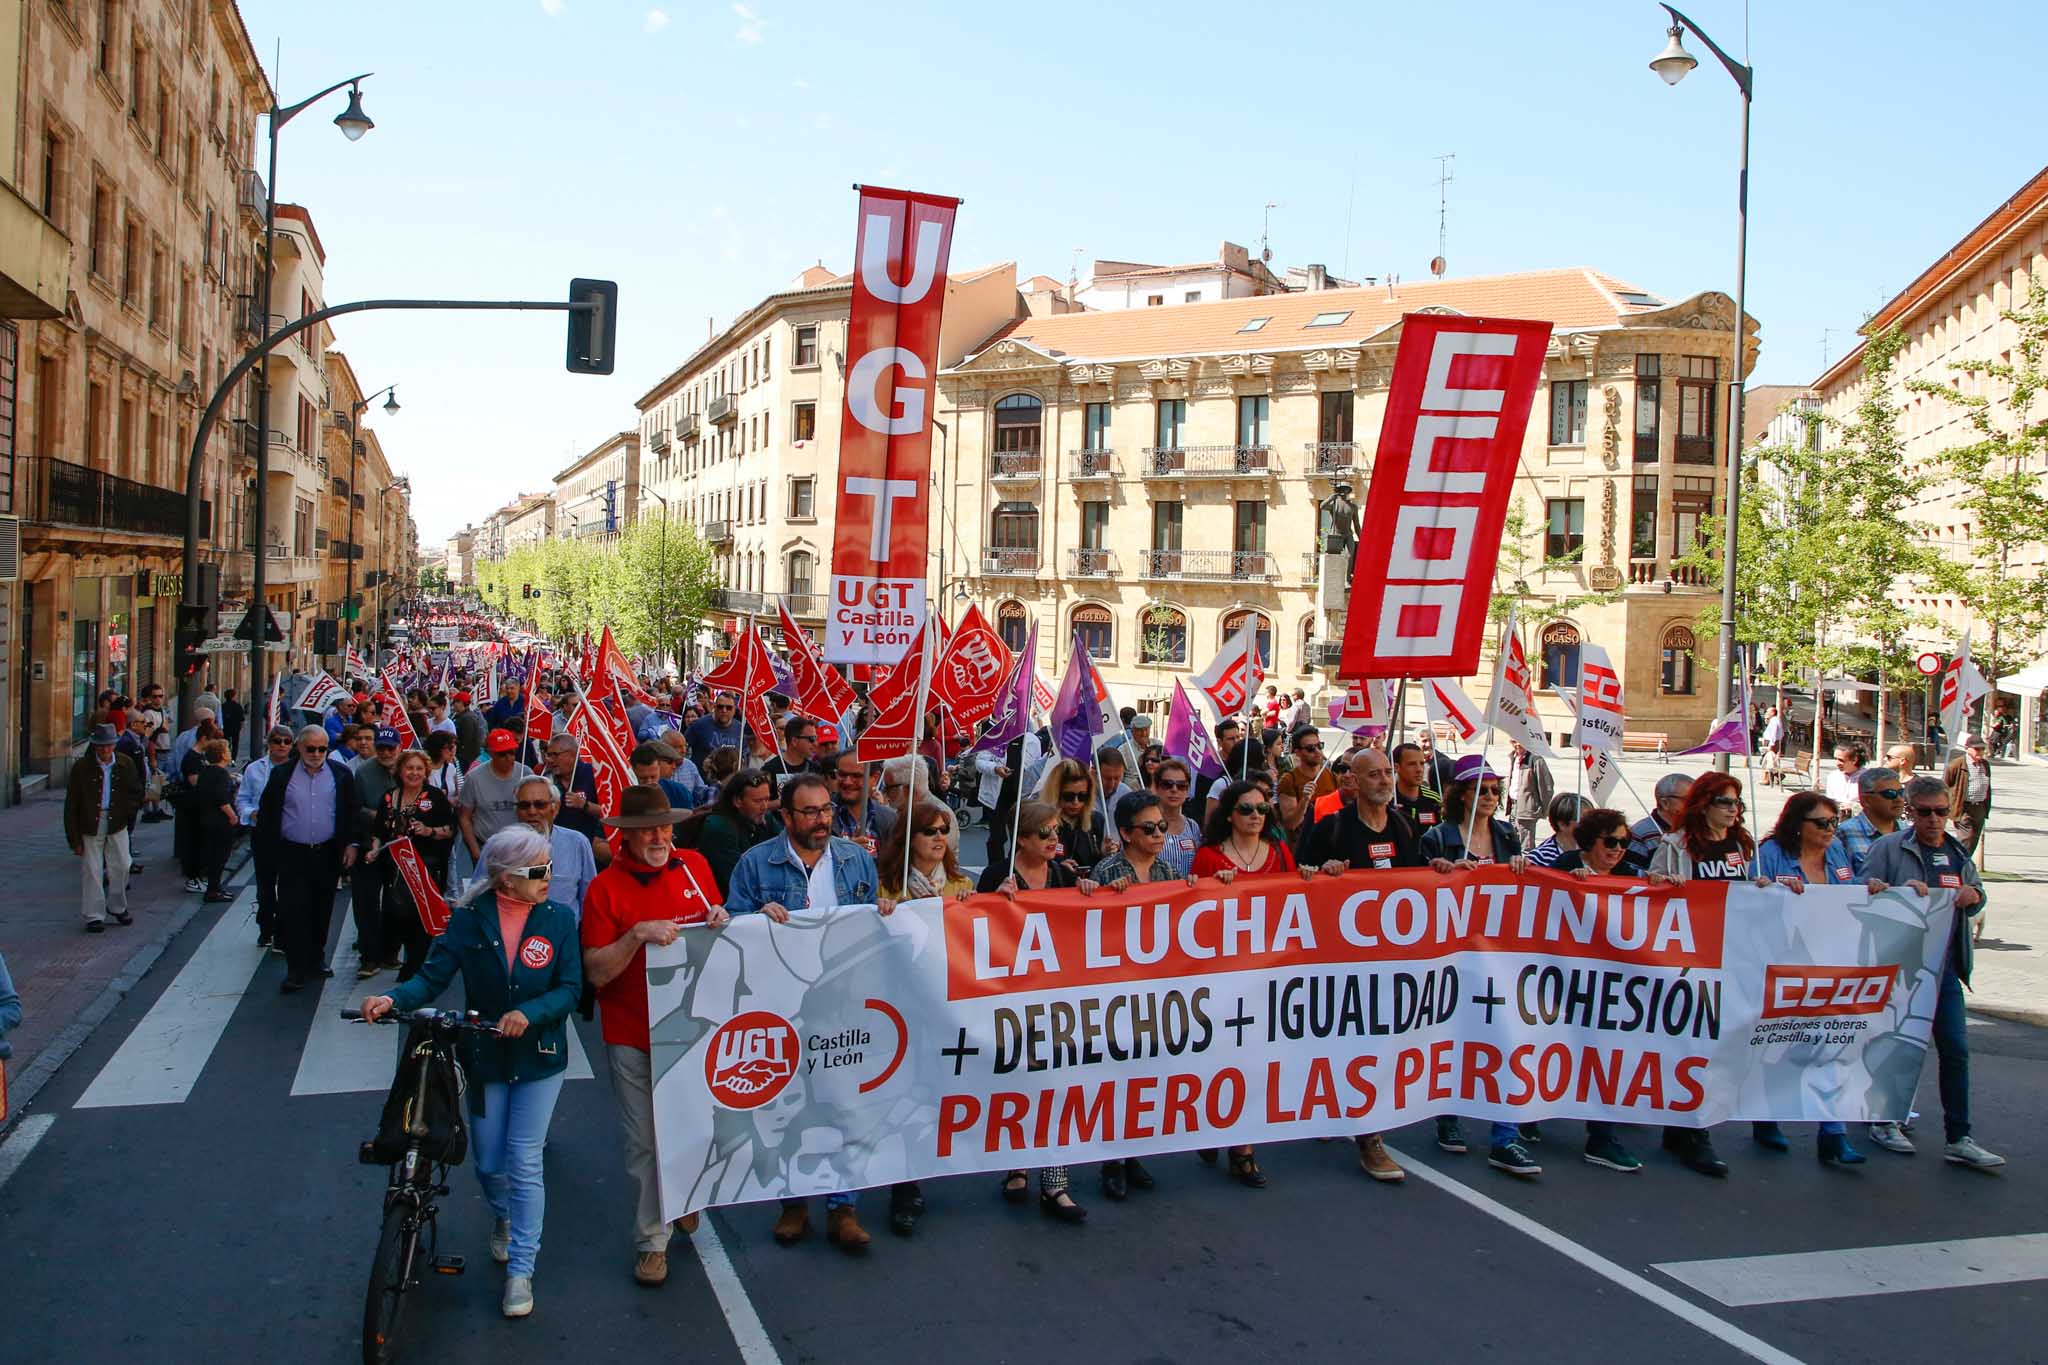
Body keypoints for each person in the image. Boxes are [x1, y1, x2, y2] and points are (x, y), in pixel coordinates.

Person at [362, 825, 584, 1319]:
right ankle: (504, 1217)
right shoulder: (467, 921)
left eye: (549, 867)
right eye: (537, 870)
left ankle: (521, 1270)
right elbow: (431, 977)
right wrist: (391, 998)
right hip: (484, 1054)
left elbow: (571, 987)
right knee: (486, 1162)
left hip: (540, 1055)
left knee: (524, 1160)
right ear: (505, 878)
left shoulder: (559, 918)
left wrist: (533, 1012)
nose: (549, 877)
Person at [725, 774, 885, 1251]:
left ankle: (844, 1207)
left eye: (827, 810)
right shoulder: (756, 864)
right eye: (811, 812)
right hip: (783, 1004)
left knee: (845, 1105)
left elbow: (872, 921)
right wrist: (757, 919)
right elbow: (731, 925)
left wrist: (889, 911)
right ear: (786, 817)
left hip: (843, 1004)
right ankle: (793, 1203)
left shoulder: (856, 858)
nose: (822, 820)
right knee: (787, 1106)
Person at [579, 784, 724, 1286]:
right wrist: (636, 933)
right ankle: (651, 1239)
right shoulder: (604, 890)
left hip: (692, 1027)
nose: (662, 836)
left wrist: (719, 920)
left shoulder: (695, 868)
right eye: (649, 830)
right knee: (644, 1139)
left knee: (693, 1127)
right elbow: (596, 971)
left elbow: (717, 932)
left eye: (666, 827)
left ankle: (682, 1196)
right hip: (632, 1031)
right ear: (627, 837)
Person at [1859, 775, 2004, 1169]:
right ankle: (1884, 1119)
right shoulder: (1889, 848)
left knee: (1956, 1051)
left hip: (1945, 971)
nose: (1934, 820)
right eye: (1925, 812)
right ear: (1910, 811)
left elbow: (1976, 896)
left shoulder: (1957, 851)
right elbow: (1859, 894)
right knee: (1896, 1047)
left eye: (1942, 812)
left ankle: (1960, 1135)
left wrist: (1975, 897)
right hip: (1899, 970)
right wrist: (1888, 889)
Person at [1644, 772, 1768, 1176]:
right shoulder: (1676, 846)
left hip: (1730, 958)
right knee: (1693, 1045)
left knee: (1719, 1045)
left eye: (1737, 804)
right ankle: (1694, 1130)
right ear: (1704, 806)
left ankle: (1684, 1126)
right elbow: (1651, 894)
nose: (1734, 811)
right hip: (1691, 962)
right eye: (1725, 803)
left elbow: (1743, 891)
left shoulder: (1740, 846)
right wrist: (1664, 883)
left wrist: (1763, 886)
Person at [978, 798, 1092, 1221]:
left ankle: (1056, 1184)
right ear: (1021, 839)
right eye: (1044, 833)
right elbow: (976, 931)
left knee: (1058, 1087)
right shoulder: (998, 875)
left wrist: (1087, 893)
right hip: (1011, 1001)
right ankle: (1016, 1165)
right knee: (1019, 1086)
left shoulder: (1063, 874)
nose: (1053, 839)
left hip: (1058, 999)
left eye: (1056, 831)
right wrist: (994, 900)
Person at [258, 726, 360, 994]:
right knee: (293, 910)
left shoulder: (341, 774)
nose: (316, 754)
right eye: (310, 748)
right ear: (299, 748)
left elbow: (351, 812)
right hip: (292, 852)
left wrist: (351, 844)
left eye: (322, 749)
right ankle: (295, 968)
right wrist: (270, 853)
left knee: (322, 907)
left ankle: (316, 956)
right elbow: (269, 814)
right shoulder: (282, 775)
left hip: (326, 852)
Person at [365, 748, 459, 980]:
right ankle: (398, 956)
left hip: (424, 868)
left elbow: (449, 830)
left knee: (420, 919)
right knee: (397, 915)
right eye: (410, 768)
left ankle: (414, 967)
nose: (414, 773)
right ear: (400, 770)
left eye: (419, 769)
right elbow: (378, 830)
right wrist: (375, 848)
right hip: (394, 870)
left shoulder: (435, 797)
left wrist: (428, 831)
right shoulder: (389, 797)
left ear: (426, 772)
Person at [64, 722, 144, 932]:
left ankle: (117, 906)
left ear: (114, 745)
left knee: (123, 864)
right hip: (90, 821)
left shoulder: (125, 764)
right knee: (92, 869)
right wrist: (73, 838)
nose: (105, 750)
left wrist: (129, 814)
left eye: (108, 745)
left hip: (117, 821)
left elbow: (136, 791)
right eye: (101, 746)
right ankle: (94, 914)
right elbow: (71, 803)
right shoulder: (82, 767)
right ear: (94, 746)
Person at [350, 728, 405, 978]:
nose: (385, 752)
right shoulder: (363, 772)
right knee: (366, 903)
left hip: (397, 847)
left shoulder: (408, 768)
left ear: (399, 748)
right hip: (368, 845)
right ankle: (368, 956)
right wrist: (375, 815)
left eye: (390, 748)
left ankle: (390, 951)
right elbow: (354, 808)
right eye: (381, 747)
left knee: (396, 901)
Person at [238, 727, 297, 947]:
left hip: (290, 834)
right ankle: (265, 926)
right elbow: (242, 799)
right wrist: (249, 813)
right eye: (277, 741)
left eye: (286, 741)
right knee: (265, 885)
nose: (282, 745)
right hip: (263, 833)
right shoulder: (254, 770)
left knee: (288, 885)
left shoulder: (298, 770)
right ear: (269, 743)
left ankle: (282, 930)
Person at [514, 776, 597, 918]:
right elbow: (481, 892)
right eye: (524, 805)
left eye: (540, 805)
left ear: (556, 808)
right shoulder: (499, 846)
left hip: (564, 935)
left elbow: (589, 898)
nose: (532, 811)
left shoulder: (578, 843)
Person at [1419, 757, 1522, 866]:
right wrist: (1446, 872)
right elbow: (1421, 878)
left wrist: (1521, 863)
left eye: (1495, 790)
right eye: (1481, 790)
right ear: (1461, 794)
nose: (1490, 797)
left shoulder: (1508, 833)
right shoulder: (1435, 838)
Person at [1192, 779, 1300, 881]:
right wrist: (1214, 884)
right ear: (1229, 814)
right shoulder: (1207, 857)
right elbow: (1195, 896)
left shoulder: (1280, 851)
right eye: (1246, 809)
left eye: (1262, 808)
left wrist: (1305, 878)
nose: (1255, 815)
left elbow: (1295, 890)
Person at [698, 770, 782, 894]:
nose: (764, 807)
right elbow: (737, 879)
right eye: (757, 801)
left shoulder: (765, 817)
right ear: (738, 801)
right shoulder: (719, 827)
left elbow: (786, 847)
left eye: (767, 799)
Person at [460, 730, 534, 866]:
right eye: (502, 754)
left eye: (512, 752)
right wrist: (475, 851)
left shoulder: (527, 774)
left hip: (520, 850)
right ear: (491, 753)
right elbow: (465, 817)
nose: (509, 758)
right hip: (487, 849)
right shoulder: (474, 778)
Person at [1039, 758, 1109, 880]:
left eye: (1082, 796)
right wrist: (1058, 867)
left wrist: (1104, 854)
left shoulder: (1096, 820)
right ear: (1056, 793)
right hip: (1056, 891)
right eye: (1068, 796)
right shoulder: (1040, 823)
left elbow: (1098, 866)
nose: (1075, 802)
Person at [1835, 767, 1905, 877]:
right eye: (1890, 794)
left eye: (1901, 792)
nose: (1899, 799)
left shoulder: (1909, 833)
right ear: (1866, 800)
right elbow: (1842, 882)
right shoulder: (1844, 833)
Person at [193, 739, 239, 904]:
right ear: (221, 755)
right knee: (220, 855)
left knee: (214, 854)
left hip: (207, 818)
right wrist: (232, 815)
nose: (229, 753)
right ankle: (214, 889)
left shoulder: (206, 771)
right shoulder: (220, 774)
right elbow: (221, 798)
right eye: (227, 750)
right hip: (220, 821)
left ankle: (215, 888)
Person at [827, 748, 895, 850]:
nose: (847, 782)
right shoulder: (820, 814)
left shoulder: (889, 819)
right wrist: (844, 850)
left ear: (875, 778)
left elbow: (894, 863)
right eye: (842, 774)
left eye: (856, 776)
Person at [1275, 727, 1335, 839]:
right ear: (1297, 753)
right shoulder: (1289, 780)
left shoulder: (1332, 777)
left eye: (1319, 746)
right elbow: (1291, 824)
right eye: (1310, 748)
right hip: (1302, 846)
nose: (1317, 751)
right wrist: (1304, 801)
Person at [1555, 808, 1649, 878]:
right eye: (1610, 842)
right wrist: (1568, 879)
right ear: (1590, 840)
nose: (1618, 848)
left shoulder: (1625, 871)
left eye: (1623, 842)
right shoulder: (1565, 864)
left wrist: (1654, 880)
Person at [1628, 772, 1694, 867]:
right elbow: (1631, 874)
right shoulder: (1641, 833)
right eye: (1687, 800)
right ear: (1664, 803)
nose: (1694, 804)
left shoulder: (1696, 830)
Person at [1151, 757, 1202, 875]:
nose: (1174, 790)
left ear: (1187, 790)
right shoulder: (1147, 826)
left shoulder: (1193, 827)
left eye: (1181, 786)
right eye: (1167, 784)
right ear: (1157, 787)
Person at [1945, 735, 1993, 859]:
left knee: (1973, 841)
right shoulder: (1957, 764)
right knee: (1965, 840)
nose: (1980, 752)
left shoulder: (1985, 765)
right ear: (1967, 748)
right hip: (1964, 809)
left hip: (1980, 808)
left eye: (1982, 749)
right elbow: (1945, 785)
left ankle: (1963, 865)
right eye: (1977, 749)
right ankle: (1958, 865)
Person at [1505, 741, 1555, 848]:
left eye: (1519, 741)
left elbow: (1547, 787)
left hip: (1526, 809)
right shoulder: (1514, 757)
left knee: (1526, 846)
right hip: (1513, 807)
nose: (1517, 745)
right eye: (1513, 742)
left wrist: (1544, 810)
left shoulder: (1536, 759)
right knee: (1512, 844)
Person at [1389, 742, 1443, 834]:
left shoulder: (1433, 799)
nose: (1419, 769)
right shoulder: (1388, 800)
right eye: (1412, 764)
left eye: (1422, 763)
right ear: (1396, 767)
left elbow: (1442, 834)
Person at [761, 715, 822, 793]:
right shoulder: (770, 769)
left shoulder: (815, 769)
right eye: (812, 739)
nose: (816, 743)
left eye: (816, 738)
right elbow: (761, 803)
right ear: (794, 741)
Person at [1526, 793, 1590, 868]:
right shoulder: (1538, 858)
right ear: (1562, 825)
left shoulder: (1595, 852)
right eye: (1584, 821)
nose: (1591, 825)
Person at [683, 692, 746, 768]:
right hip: (703, 778)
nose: (724, 710)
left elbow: (744, 756)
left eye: (729, 707)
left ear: (734, 709)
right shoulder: (698, 725)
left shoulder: (741, 729)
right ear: (714, 707)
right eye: (720, 707)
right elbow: (682, 749)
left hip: (731, 778)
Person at [452, 691, 487, 769]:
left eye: (457, 702)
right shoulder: (462, 716)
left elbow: (467, 740)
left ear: (463, 703)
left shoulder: (467, 718)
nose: (454, 704)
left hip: (467, 758)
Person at [1760, 706, 1784, 784]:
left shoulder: (1774, 721)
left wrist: (1771, 745)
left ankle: (1772, 777)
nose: (1766, 713)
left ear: (1773, 713)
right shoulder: (1773, 720)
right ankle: (1774, 776)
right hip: (1771, 743)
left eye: (1768, 712)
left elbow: (1773, 734)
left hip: (1772, 743)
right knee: (1767, 760)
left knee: (1768, 760)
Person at [220, 688, 246, 754]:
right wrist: (241, 727)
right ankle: (233, 759)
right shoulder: (238, 706)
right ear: (233, 696)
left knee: (226, 743)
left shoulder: (223, 706)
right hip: (235, 728)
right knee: (235, 744)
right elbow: (242, 718)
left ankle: (226, 755)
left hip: (225, 727)